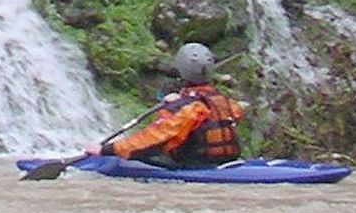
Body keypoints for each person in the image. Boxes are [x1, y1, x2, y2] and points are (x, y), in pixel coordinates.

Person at [86, 42, 246, 168]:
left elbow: (154, 139)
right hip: (226, 161)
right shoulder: (224, 102)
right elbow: (233, 114)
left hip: (193, 165)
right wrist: (184, 97)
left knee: (146, 152)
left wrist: (106, 150)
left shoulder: (187, 108)